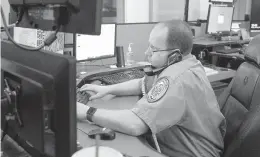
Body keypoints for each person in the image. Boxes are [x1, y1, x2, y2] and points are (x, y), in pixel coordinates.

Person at [77, 20, 226, 157]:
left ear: (174, 55)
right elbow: (142, 82)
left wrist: (87, 112)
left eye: (153, 49)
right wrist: (108, 89)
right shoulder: (186, 62)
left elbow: (135, 124)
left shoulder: (176, 78)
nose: (146, 52)